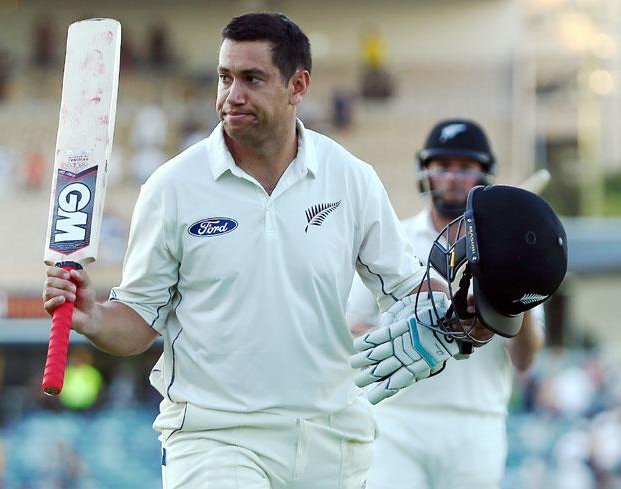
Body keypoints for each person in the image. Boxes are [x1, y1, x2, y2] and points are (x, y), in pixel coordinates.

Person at [43, 13, 458, 489]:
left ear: (297, 86)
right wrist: (93, 316)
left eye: (251, 79)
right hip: (215, 437)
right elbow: (139, 320)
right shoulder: (173, 187)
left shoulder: (351, 178)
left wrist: (456, 305)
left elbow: (409, 289)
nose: (231, 96)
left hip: (332, 440)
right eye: (224, 77)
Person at [347, 119, 548, 489]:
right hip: (396, 420)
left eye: (465, 167)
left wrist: (514, 299)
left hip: (476, 424)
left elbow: (525, 359)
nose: (452, 177)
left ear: (484, 174)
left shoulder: (511, 252)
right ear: (426, 171)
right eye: (442, 166)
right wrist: (423, 327)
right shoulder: (395, 239)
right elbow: (355, 330)